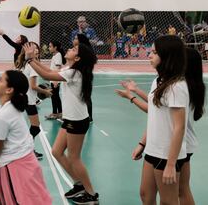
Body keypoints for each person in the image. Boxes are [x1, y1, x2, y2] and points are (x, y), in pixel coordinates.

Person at [115, 47, 205, 205]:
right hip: (175, 143)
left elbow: (154, 111)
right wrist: (135, 91)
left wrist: (132, 97)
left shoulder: (180, 88)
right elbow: (157, 104)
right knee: (178, 191)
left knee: (179, 192)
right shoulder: (175, 83)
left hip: (178, 145)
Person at [23, 42, 99, 204]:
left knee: (74, 158)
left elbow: (48, 76)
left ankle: (91, 194)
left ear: (77, 58)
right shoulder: (69, 69)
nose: (69, 49)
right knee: (57, 151)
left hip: (77, 121)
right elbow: (49, 71)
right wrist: (31, 58)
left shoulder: (74, 72)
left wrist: (30, 60)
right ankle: (79, 184)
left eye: (73, 49)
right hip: (70, 119)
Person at [0, 70, 52, 205]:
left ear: (9, 89)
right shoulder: (8, 108)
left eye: (0, 80)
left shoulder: (3, 116)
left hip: (17, 167)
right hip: (20, 163)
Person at [16, 42, 53, 160]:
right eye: (33, 49)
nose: (36, 50)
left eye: (37, 49)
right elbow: (33, 86)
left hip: (25, 98)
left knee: (33, 127)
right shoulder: (32, 66)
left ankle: (28, 149)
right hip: (29, 101)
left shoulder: (24, 63)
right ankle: (26, 149)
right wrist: (46, 92)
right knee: (35, 127)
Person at [73, 33, 96, 122]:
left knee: (86, 96)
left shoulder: (84, 51)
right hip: (84, 75)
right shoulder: (81, 50)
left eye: (76, 38)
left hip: (84, 76)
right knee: (84, 96)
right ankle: (85, 115)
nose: (74, 40)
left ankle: (89, 116)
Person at [45, 41, 65, 120]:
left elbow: (58, 68)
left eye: (50, 46)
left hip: (55, 80)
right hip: (54, 79)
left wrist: (56, 81)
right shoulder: (55, 55)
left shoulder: (58, 55)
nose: (49, 48)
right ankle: (59, 113)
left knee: (54, 97)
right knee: (55, 96)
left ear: (55, 47)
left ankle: (55, 113)